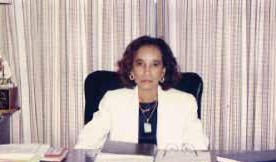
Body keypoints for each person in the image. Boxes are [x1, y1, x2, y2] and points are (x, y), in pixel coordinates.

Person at [75, 36, 208, 149]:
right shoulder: (113, 100)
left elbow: (198, 148)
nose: (147, 71)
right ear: (131, 70)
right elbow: (85, 144)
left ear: (163, 71)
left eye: (154, 64)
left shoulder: (185, 102)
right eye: (140, 64)